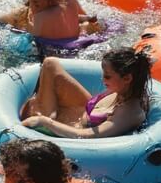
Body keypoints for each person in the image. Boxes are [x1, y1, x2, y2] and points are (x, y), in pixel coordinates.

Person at [18, 48, 151, 138]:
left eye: (107, 76)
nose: (102, 79)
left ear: (127, 78)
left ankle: (46, 114)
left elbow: (85, 135)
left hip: (76, 128)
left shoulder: (129, 113)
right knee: (50, 63)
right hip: (81, 111)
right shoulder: (123, 89)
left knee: (33, 113)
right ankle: (48, 112)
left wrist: (45, 122)